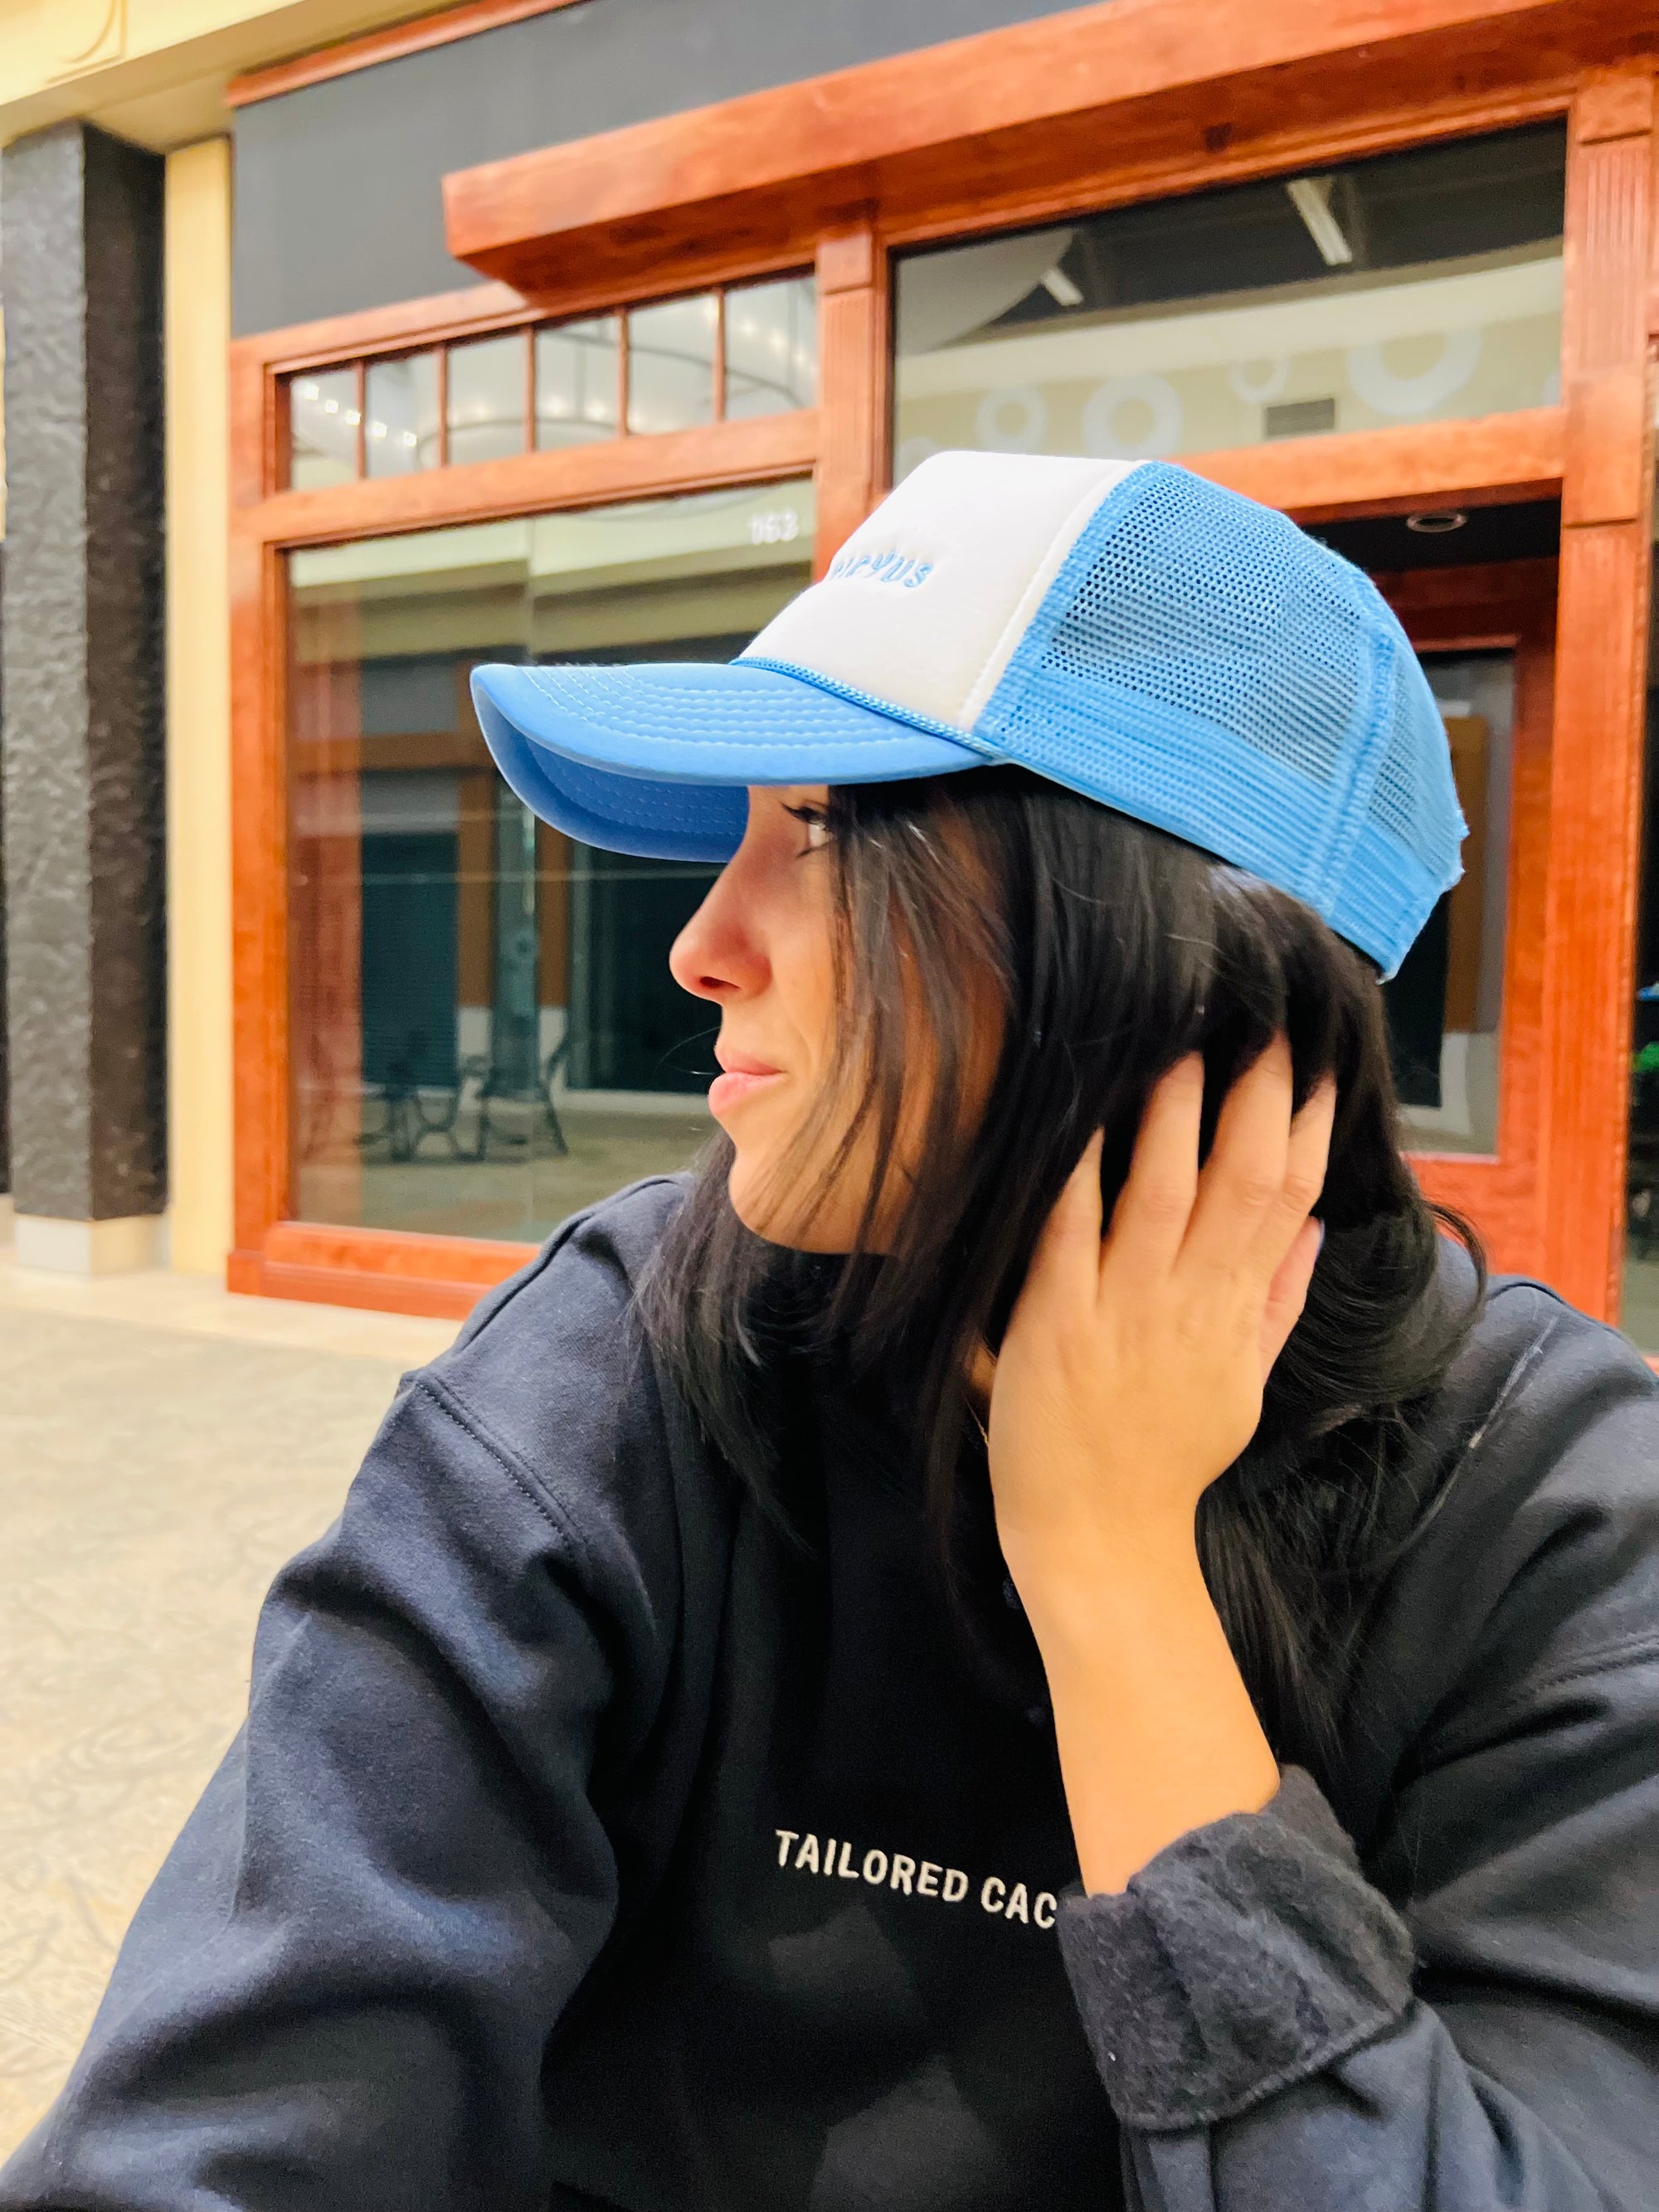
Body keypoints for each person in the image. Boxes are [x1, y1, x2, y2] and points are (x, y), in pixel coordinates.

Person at [4, 450, 1657, 2212]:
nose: (702, 945)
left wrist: (1109, 1577)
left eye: (815, 835)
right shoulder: (612, 1367)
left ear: (1161, 951)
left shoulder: (1538, 1506)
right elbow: (238, 2121)